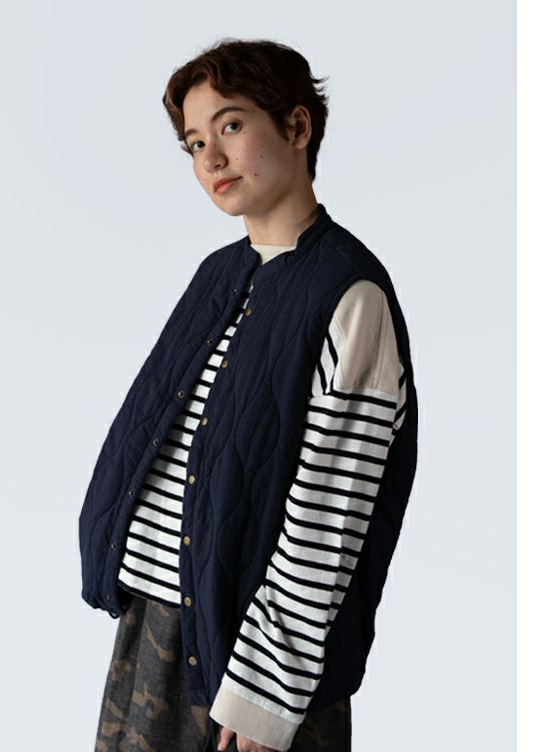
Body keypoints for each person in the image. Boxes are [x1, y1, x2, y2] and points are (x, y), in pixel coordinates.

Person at [82, 38, 419, 752]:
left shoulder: (349, 294)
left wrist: (267, 692)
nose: (211, 158)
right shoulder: (218, 275)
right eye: (194, 143)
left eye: (231, 125)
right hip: (158, 629)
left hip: (257, 667)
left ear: (296, 127)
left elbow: (331, 515)